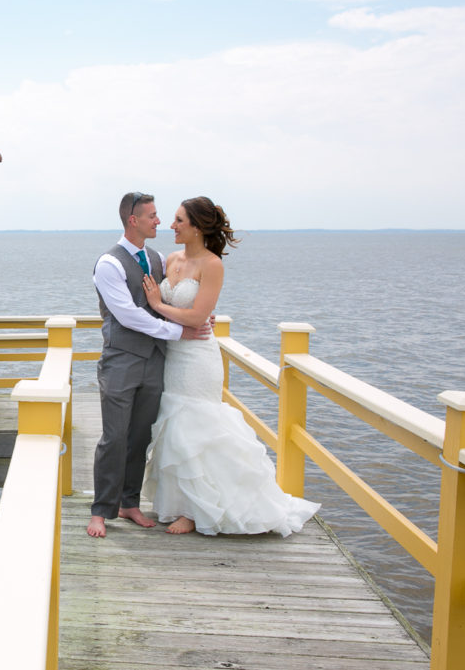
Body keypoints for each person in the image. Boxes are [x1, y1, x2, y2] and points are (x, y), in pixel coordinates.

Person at [140, 196, 320, 536]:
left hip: (197, 359)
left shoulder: (212, 265)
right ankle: (181, 504)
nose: (171, 225)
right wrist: (159, 307)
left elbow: (195, 317)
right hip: (172, 356)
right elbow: (181, 314)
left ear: (197, 226)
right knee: (174, 428)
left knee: (197, 427)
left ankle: (197, 511)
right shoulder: (171, 259)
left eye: (179, 220)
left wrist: (157, 304)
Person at [87, 192, 211, 538]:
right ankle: (101, 510)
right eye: (153, 216)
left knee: (140, 436)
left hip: (155, 361)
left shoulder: (156, 259)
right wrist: (178, 331)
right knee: (114, 437)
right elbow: (128, 315)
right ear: (133, 220)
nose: (159, 221)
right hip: (121, 362)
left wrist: (198, 316)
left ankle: (129, 503)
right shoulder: (109, 264)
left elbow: (166, 300)